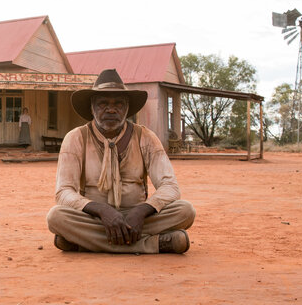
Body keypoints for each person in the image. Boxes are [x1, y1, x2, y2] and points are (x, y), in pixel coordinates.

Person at [46, 69, 195, 254]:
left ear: (127, 108)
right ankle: (154, 244)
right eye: (103, 104)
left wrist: (142, 211)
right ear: (92, 107)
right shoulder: (76, 138)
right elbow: (63, 192)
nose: (111, 109)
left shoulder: (146, 137)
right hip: (95, 218)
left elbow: (170, 187)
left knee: (185, 211)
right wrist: (102, 210)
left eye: (118, 103)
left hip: (139, 219)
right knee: (56, 217)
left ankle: (83, 243)